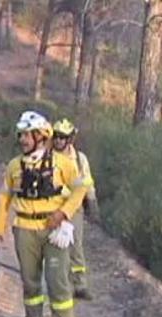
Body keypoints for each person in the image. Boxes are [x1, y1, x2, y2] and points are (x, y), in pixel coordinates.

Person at [0, 111, 87, 317]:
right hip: (24, 229)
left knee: (57, 280)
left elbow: (80, 189)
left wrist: (63, 214)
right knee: (30, 281)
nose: (22, 140)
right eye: (20, 135)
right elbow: (4, 198)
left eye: (27, 135)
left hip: (54, 230)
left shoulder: (62, 163)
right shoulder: (14, 166)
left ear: (41, 137)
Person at [51, 118, 97, 300]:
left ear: (70, 139)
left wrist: (92, 202)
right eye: (56, 137)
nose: (58, 141)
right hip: (53, 208)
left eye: (62, 137)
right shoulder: (47, 157)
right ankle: (58, 284)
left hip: (75, 208)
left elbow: (87, 182)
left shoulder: (80, 159)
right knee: (55, 247)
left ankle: (80, 285)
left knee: (75, 247)